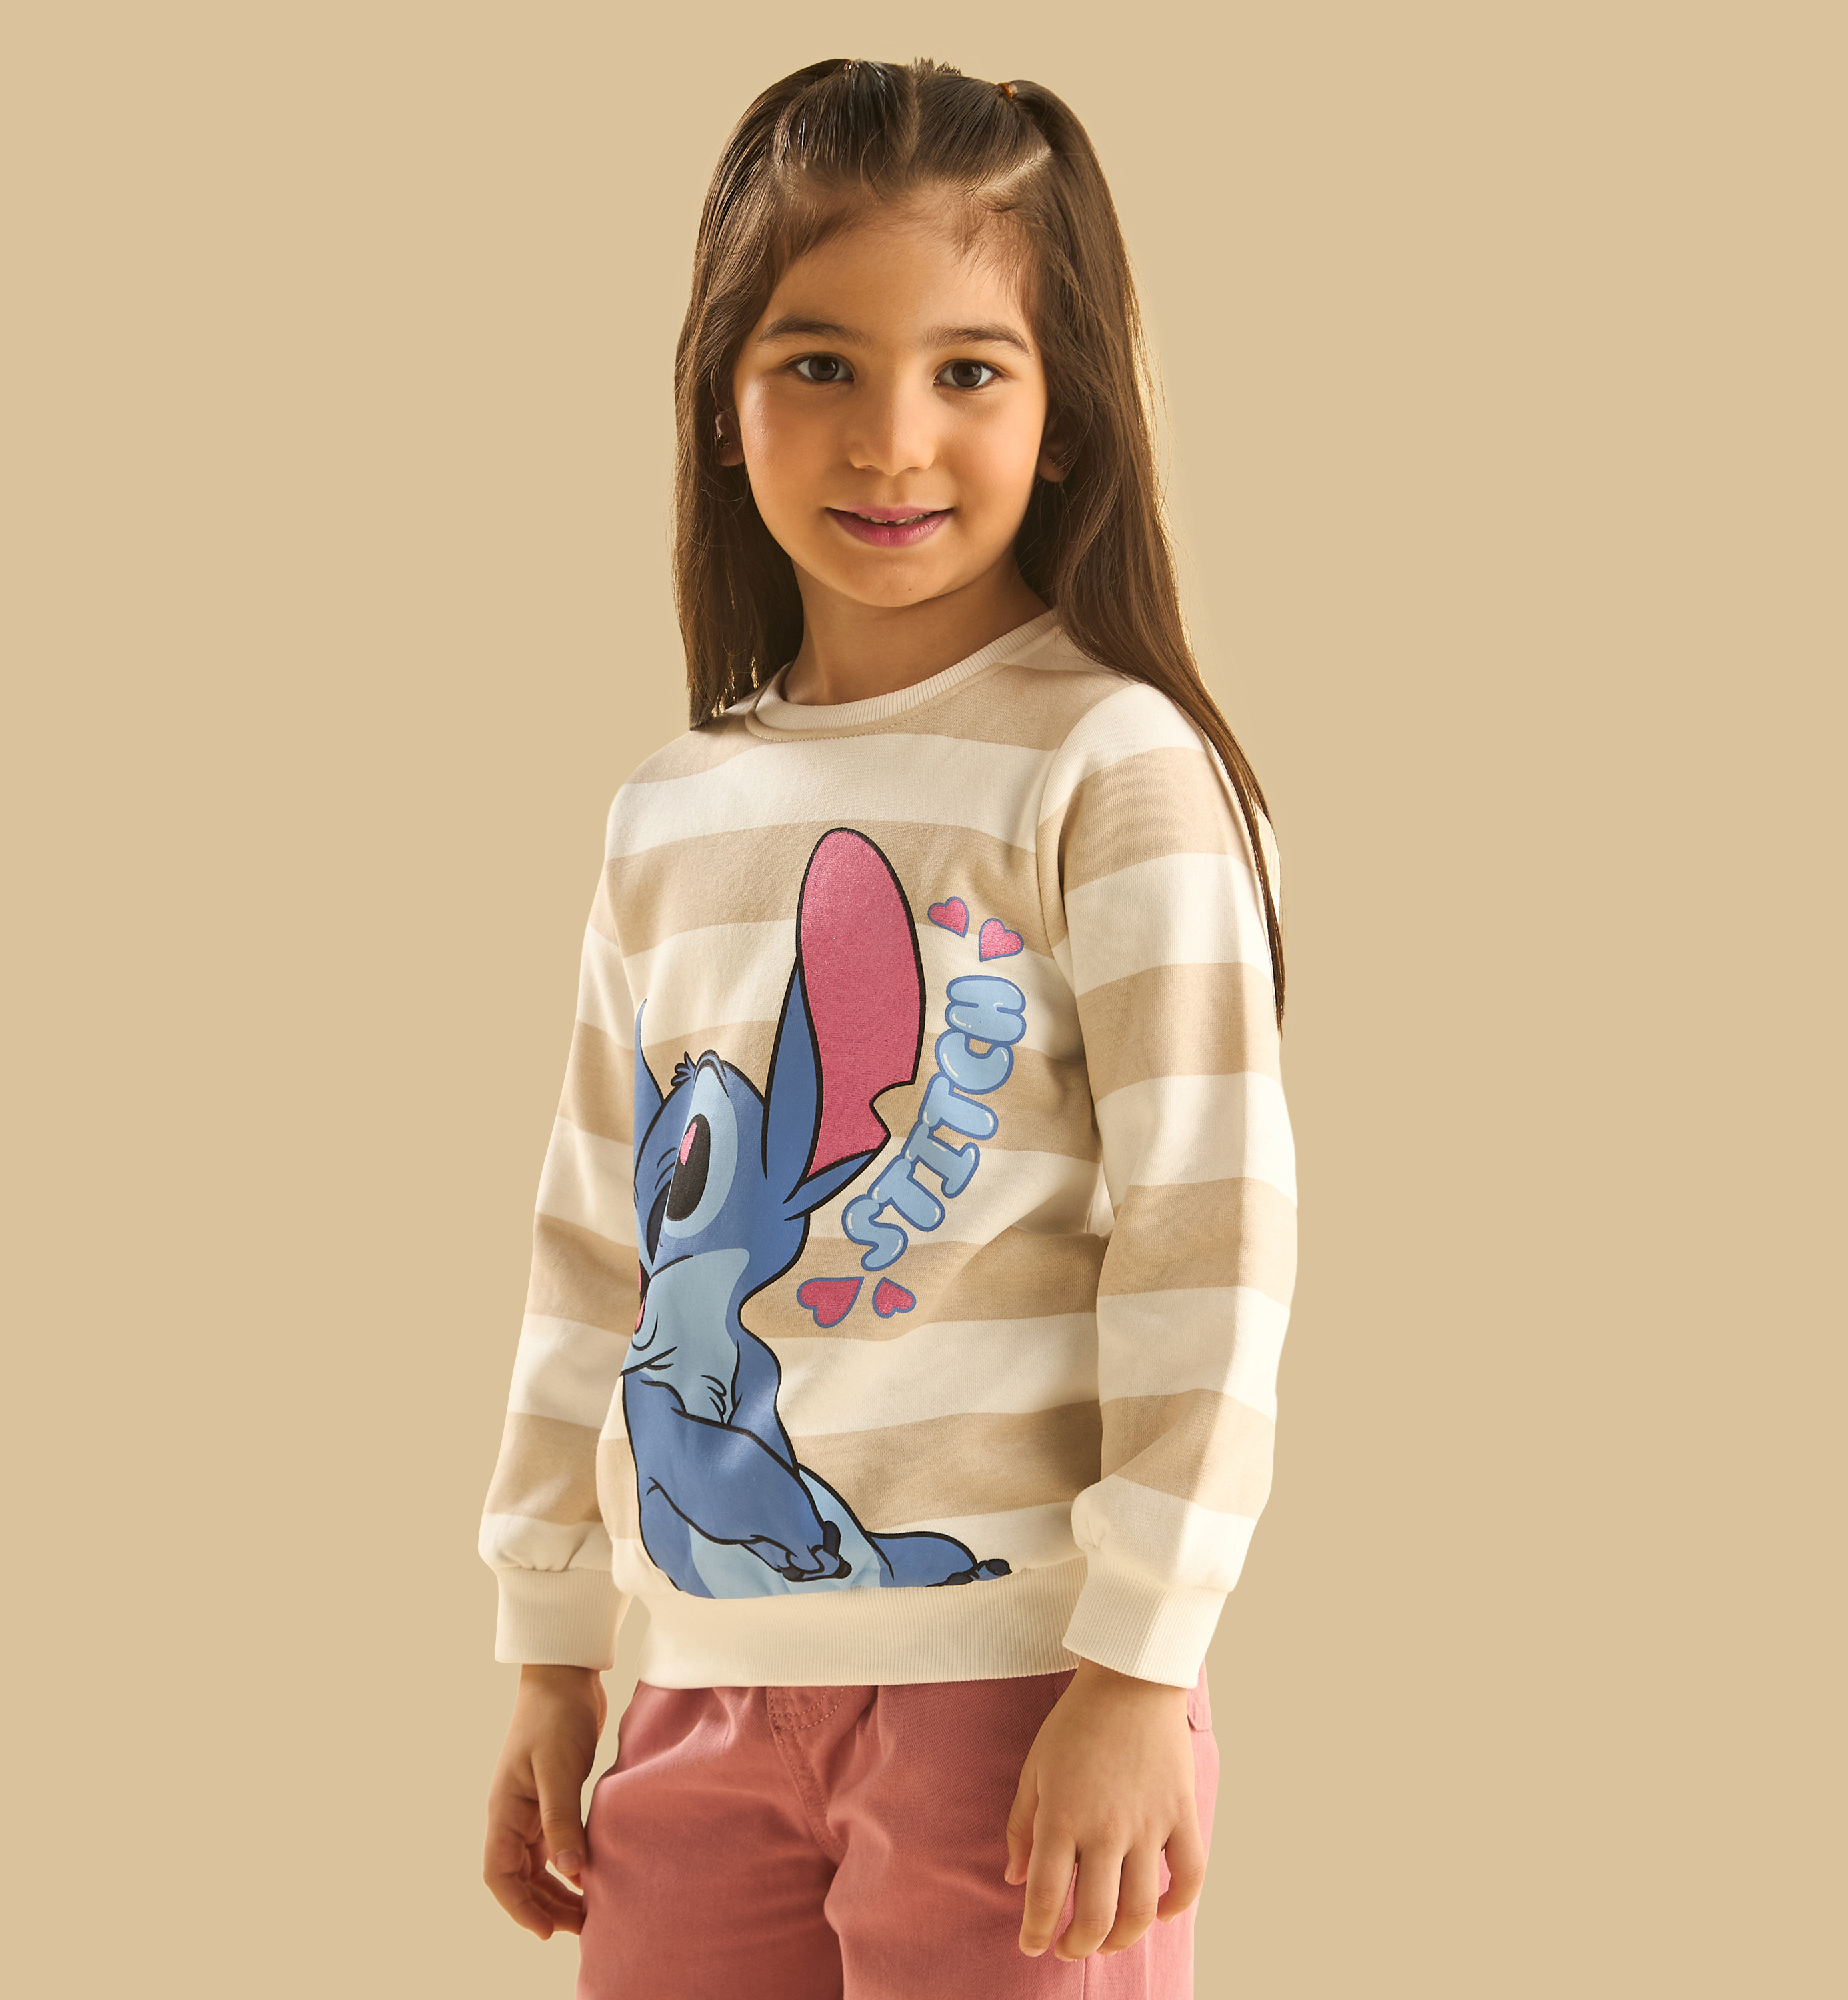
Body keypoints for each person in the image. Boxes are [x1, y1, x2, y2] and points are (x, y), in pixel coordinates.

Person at [478, 57, 1295, 2000]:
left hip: (1022, 1698)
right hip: (694, 1698)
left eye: (971, 370)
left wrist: (1139, 1665)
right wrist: (551, 1642)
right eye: (820, 362)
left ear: (1068, 411)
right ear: (723, 397)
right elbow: (597, 1242)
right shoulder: (670, 810)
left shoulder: (1114, 767)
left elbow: (1209, 1238)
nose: (892, 439)